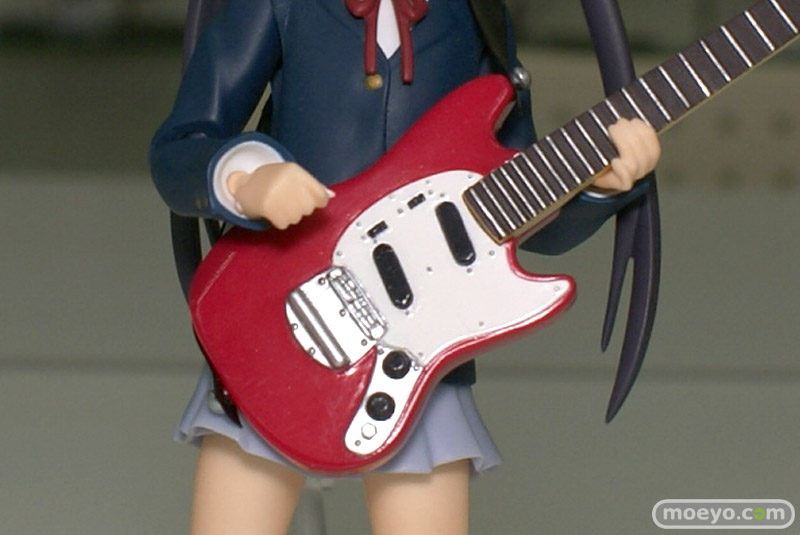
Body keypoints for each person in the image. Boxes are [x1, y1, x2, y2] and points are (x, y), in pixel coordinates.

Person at [149, 0, 660, 533]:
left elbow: (524, 208)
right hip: (281, 315)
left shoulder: (475, 14)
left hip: (422, 343)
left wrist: (597, 186)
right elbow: (181, 145)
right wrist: (244, 179)